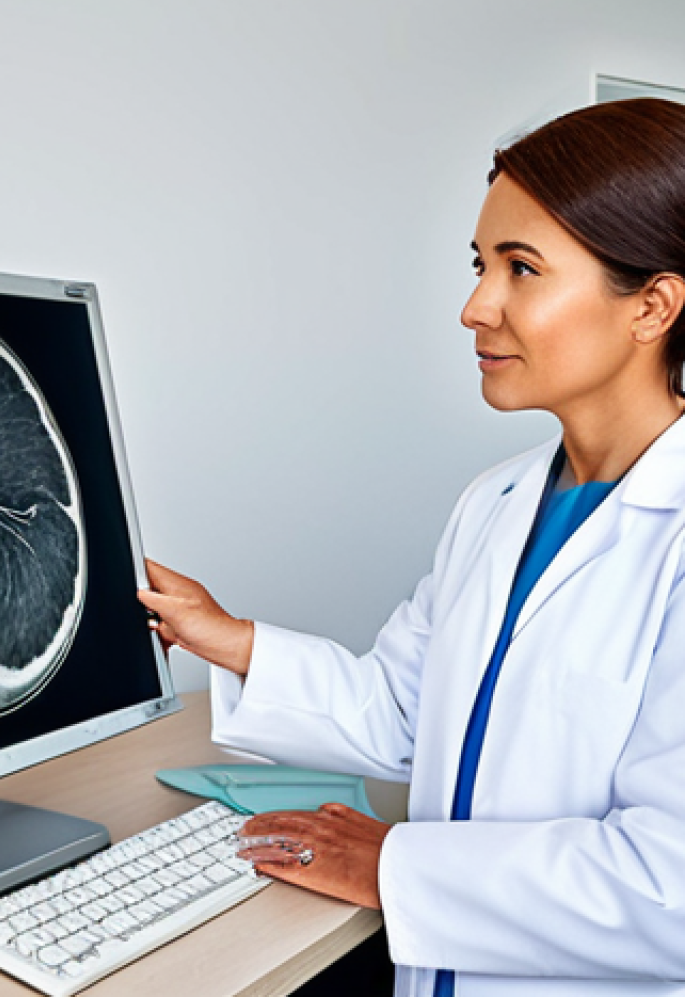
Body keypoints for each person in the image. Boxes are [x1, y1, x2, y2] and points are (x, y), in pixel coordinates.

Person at [138, 97, 685, 996]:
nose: (476, 308)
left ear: (651, 307)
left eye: (522, 269)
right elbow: (406, 713)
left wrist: (393, 863)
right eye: (481, 265)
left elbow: (668, 890)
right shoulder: (497, 503)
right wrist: (226, 638)